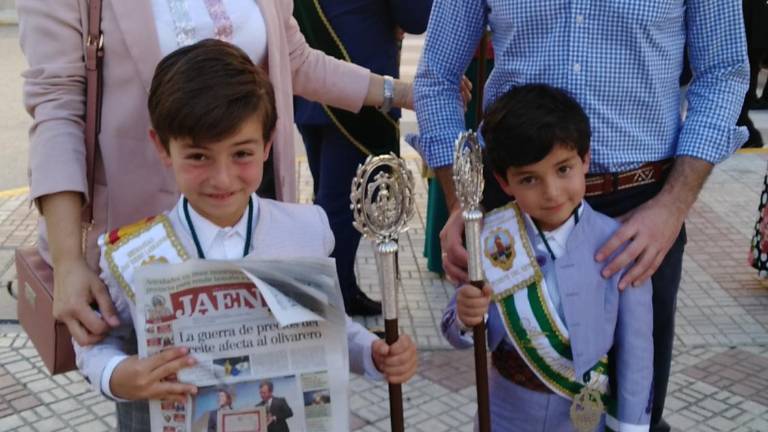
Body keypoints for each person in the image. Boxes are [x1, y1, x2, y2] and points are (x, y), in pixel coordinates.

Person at [411, 2, 749, 430]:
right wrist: (462, 198)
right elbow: (437, 78)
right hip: (514, 205)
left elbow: (725, 72)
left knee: (634, 403)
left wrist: (672, 206)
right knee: (512, 392)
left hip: (639, 215)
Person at [17, 0, 415, 348]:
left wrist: (397, 93)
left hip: (251, 223)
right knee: (158, 396)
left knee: (264, 384)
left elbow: (293, 58)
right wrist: (69, 261)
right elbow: (57, 104)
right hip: (149, 241)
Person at [73, 40, 419, 431]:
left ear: (267, 144)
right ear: (162, 148)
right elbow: (96, 342)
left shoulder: (306, 231)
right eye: (198, 156)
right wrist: (118, 375)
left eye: (241, 154)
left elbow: (325, 325)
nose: (222, 178)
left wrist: (371, 353)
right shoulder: (132, 252)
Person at [441, 84, 653, 431]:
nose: (551, 192)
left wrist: (629, 426)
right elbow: (458, 328)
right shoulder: (492, 237)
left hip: (584, 419)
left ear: (585, 160)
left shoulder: (620, 243)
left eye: (563, 169)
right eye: (529, 179)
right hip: (505, 413)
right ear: (504, 182)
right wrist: (465, 317)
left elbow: (637, 351)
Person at [292, 0, 433, 316]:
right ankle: (333, 299)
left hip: (313, 92)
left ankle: (340, 288)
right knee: (342, 209)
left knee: (330, 202)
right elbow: (416, 17)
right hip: (358, 94)